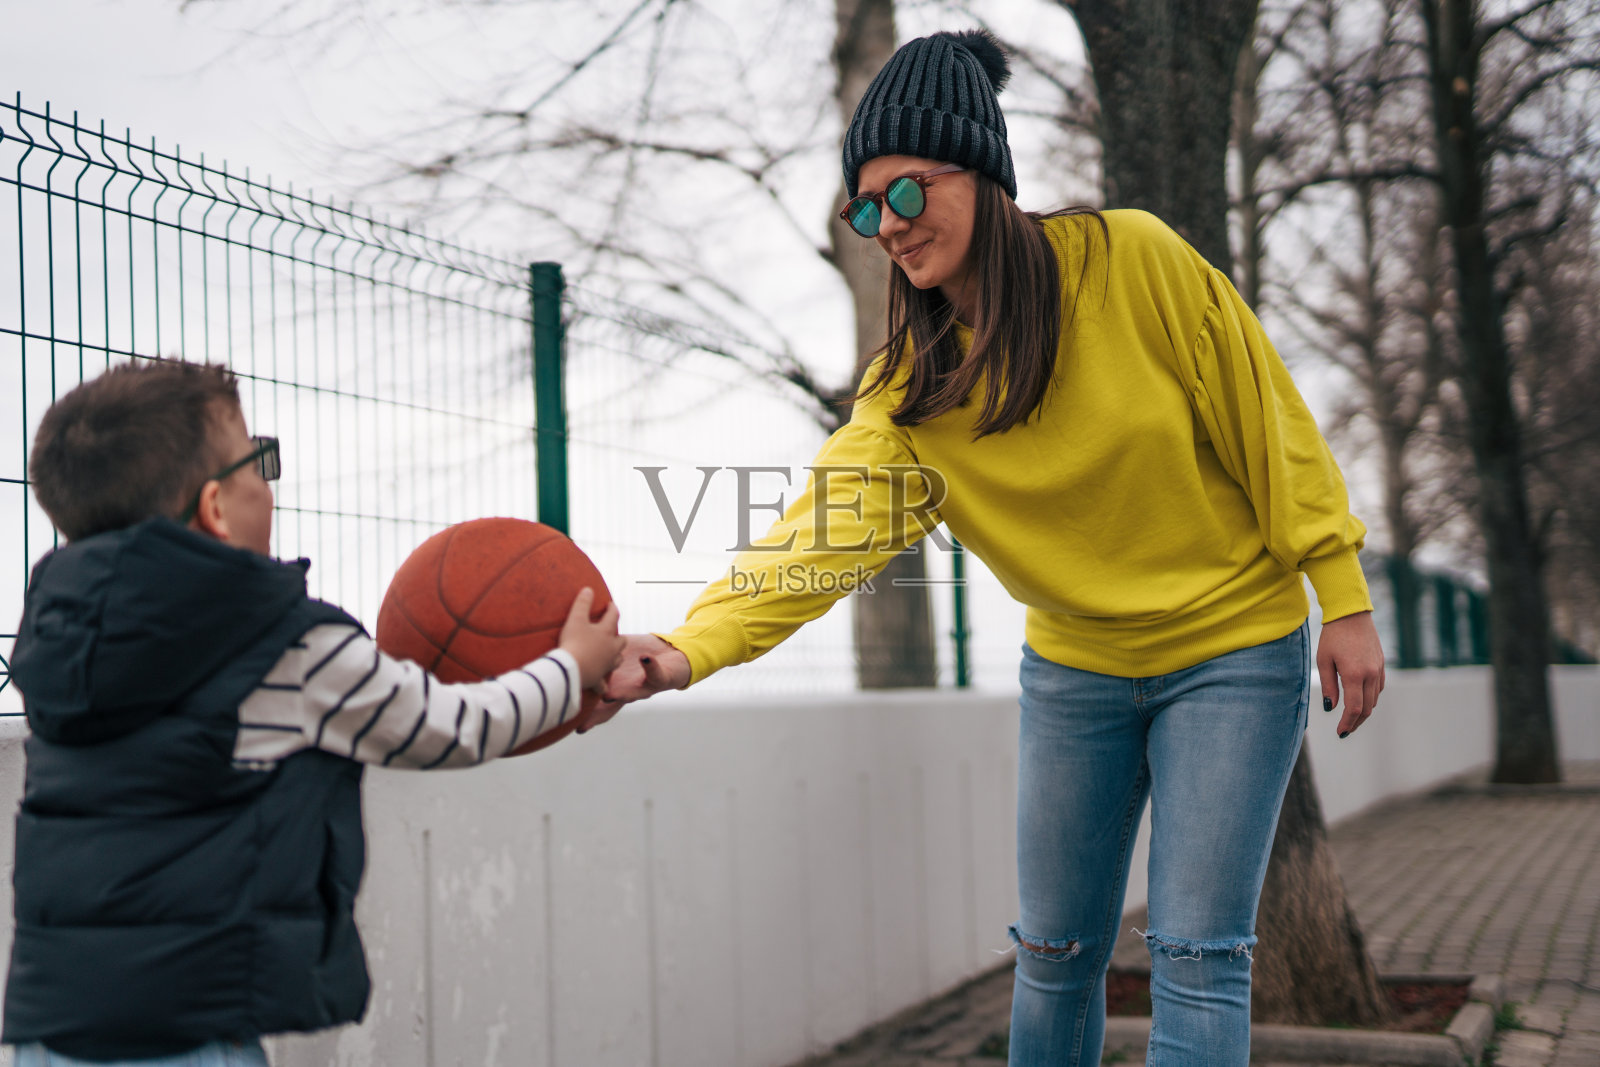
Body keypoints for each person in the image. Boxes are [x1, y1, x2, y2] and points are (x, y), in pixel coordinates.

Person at [600, 28, 1386, 1067]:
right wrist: (686, 647)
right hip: (1077, 672)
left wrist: (1342, 594)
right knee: (1054, 949)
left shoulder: (1134, 262)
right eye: (864, 208)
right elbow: (811, 546)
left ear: (981, 169)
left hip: (1232, 651)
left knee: (1196, 954)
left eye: (906, 193)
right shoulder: (911, 394)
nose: (886, 227)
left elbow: (1266, 421)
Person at [3, 359, 625, 1066]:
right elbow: (451, 725)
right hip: (192, 1029)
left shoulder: (59, 639)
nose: (268, 480)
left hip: (49, 1032)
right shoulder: (285, 643)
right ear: (214, 507)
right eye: (257, 459)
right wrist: (569, 668)